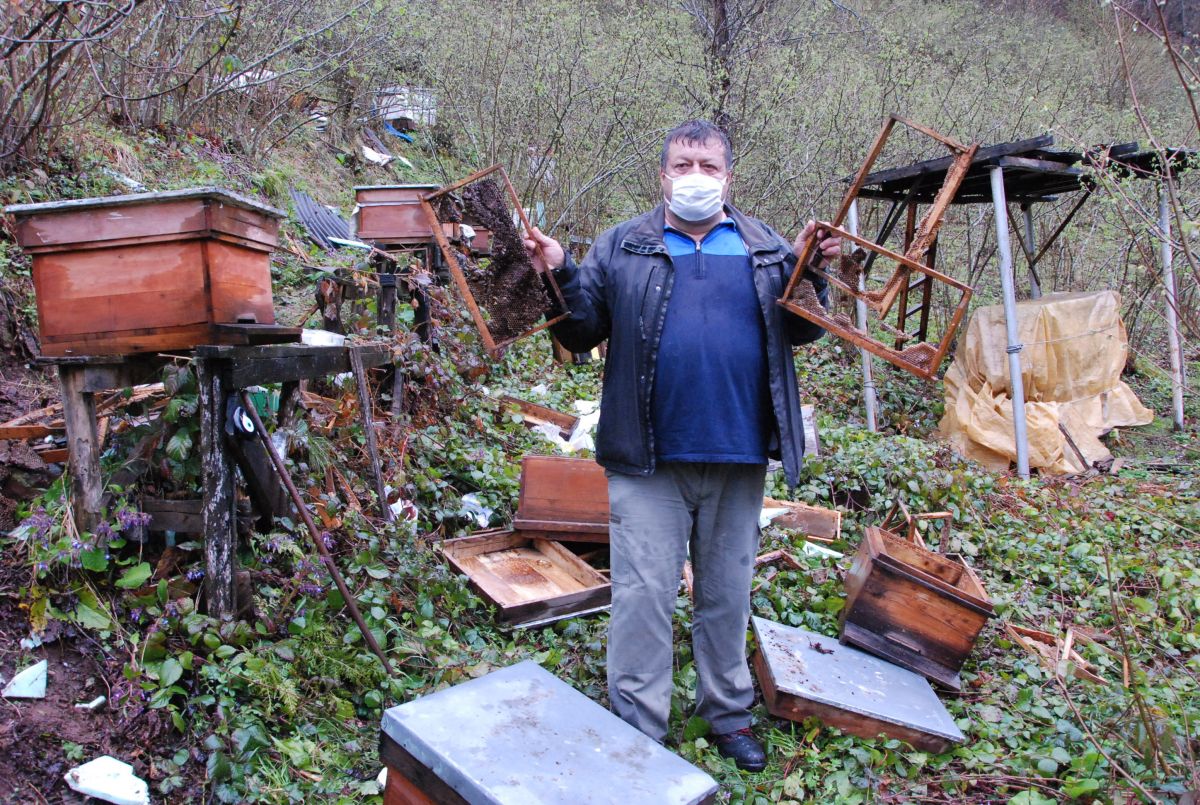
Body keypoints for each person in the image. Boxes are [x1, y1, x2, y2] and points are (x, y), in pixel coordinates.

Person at [522, 119, 840, 772]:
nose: (694, 175)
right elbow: (582, 331)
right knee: (643, 596)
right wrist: (559, 271)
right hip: (647, 461)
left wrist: (813, 271)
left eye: (707, 165)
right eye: (683, 164)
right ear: (662, 175)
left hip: (739, 455)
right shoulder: (624, 246)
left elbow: (802, 331)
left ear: (728, 177)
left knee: (726, 593)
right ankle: (639, 729)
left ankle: (725, 714)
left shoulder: (765, 246)